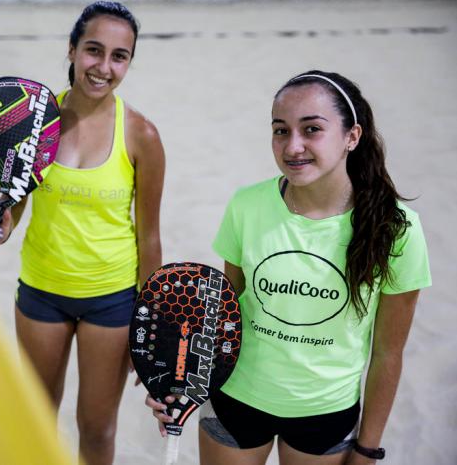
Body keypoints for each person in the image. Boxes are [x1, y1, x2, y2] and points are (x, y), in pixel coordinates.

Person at [146, 70, 431, 465]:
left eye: (311, 129)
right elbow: (225, 314)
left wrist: (367, 448)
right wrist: (178, 382)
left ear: (352, 136)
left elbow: (387, 353)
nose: (293, 146)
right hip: (234, 399)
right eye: (281, 130)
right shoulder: (246, 205)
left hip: (324, 414)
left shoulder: (398, 229)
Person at [0, 2, 165, 464]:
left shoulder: (142, 135)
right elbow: (16, 199)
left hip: (113, 300)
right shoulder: (34, 122)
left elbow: (150, 238)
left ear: (128, 63)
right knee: (36, 420)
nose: (103, 67)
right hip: (42, 291)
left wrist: (152, 321)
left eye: (119, 56)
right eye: (93, 51)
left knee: (97, 430)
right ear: (72, 49)